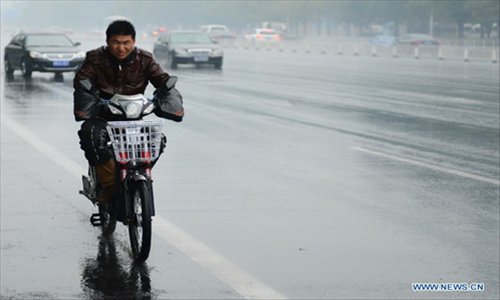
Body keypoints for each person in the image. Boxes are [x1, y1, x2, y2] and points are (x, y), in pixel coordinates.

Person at [73, 20, 180, 204]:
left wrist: (167, 99)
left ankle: (139, 174)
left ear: (134, 41)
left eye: (126, 43)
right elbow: (82, 81)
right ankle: (109, 187)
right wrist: (91, 102)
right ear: (108, 41)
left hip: (134, 117)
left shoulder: (145, 59)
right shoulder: (95, 58)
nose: (121, 48)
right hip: (103, 116)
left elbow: (163, 81)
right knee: (90, 135)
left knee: (157, 139)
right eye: (116, 42)